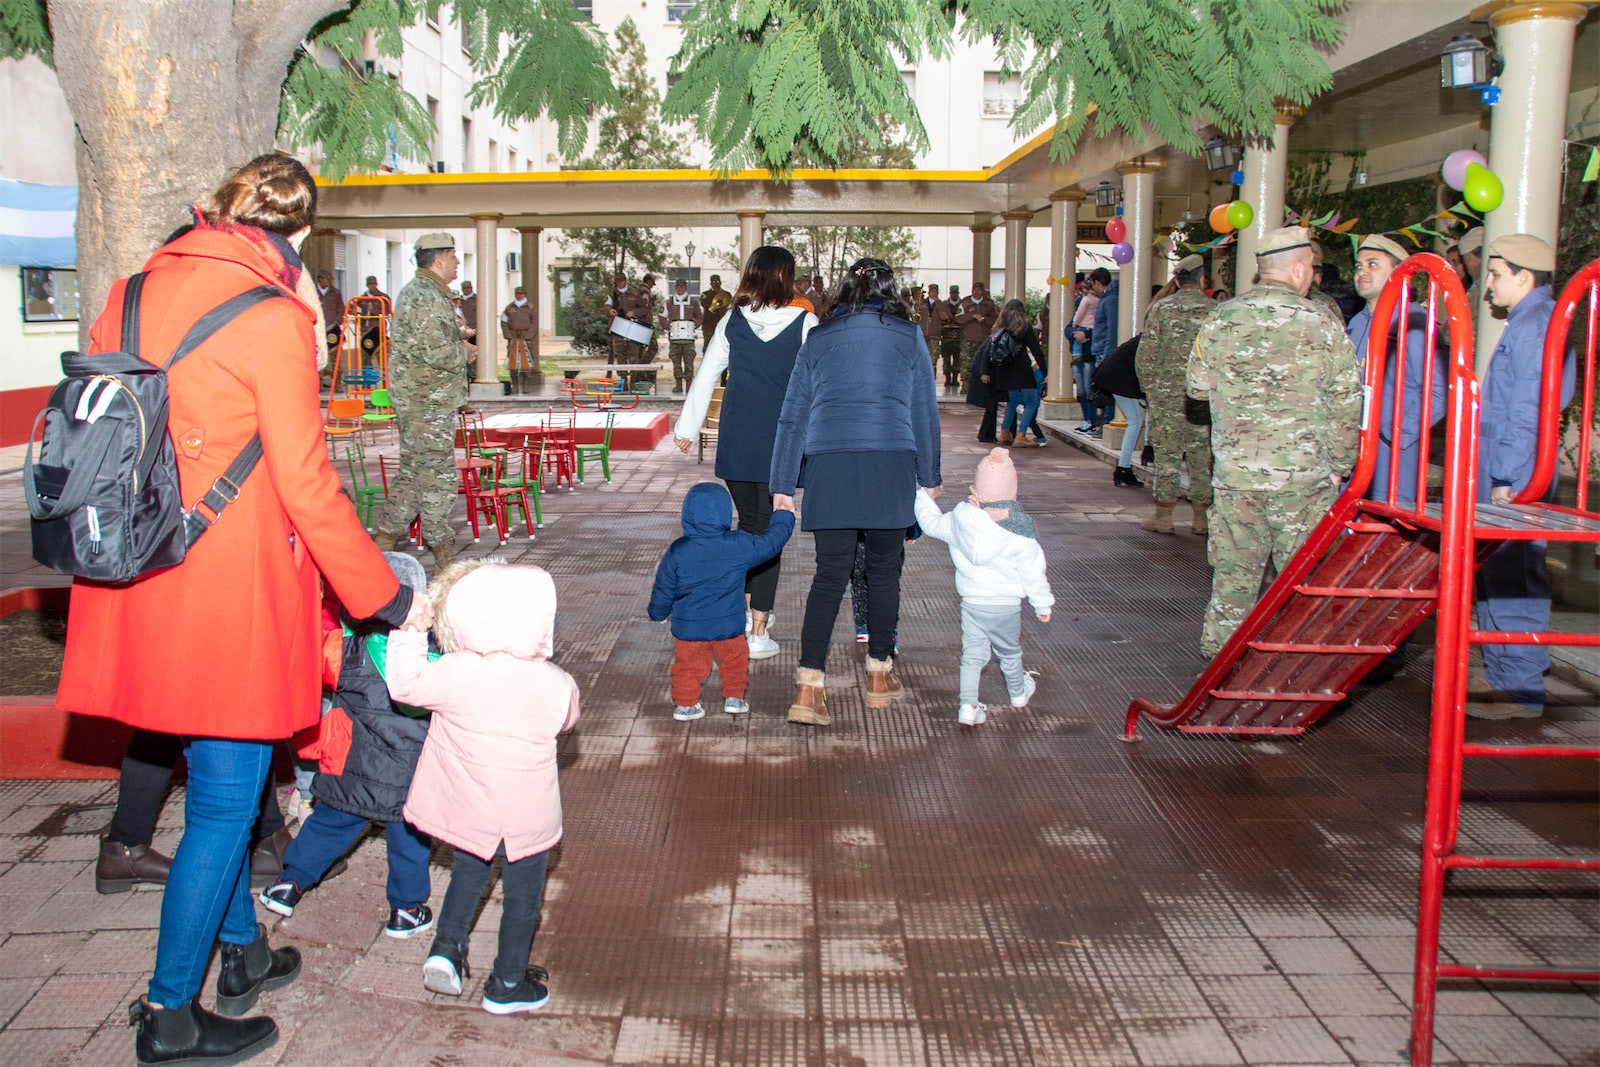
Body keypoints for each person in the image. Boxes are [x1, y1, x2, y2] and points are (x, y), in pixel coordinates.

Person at [57, 152, 430, 1063]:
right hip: (226, 595)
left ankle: (243, 955)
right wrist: (384, 599)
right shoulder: (271, 317)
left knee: (213, 784)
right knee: (225, 805)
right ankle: (169, 1011)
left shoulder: (131, 290)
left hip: (139, 576)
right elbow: (307, 483)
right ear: (295, 235)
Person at [387, 561, 578, 1015]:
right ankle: (508, 983)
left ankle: (446, 949)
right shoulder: (556, 685)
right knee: (523, 898)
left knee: (468, 873)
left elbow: (404, 683)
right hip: (525, 819)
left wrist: (411, 629)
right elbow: (567, 721)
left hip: (469, 807)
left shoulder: (453, 672)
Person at [769, 258, 942, 727]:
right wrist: (930, 474)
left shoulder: (819, 338)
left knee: (829, 577)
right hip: (891, 464)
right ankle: (879, 678)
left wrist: (782, 484)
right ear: (890, 290)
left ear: (843, 291)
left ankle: (808, 688)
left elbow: (793, 415)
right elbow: (925, 409)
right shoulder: (908, 336)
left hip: (831, 466)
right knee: (884, 575)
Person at [1187, 226, 1361, 658]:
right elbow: (1346, 401)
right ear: (1301, 268)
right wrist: (1341, 463)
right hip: (1302, 482)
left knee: (1234, 580)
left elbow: (1196, 387)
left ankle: (1220, 669)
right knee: (1306, 579)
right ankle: (1303, 667)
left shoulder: (1220, 317)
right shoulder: (1323, 323)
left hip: (1236, 476)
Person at [258, 553, 435, 940]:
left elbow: (309, 657)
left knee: (327, 826)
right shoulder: (430, 655)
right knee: (409, 842)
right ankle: (406, 910)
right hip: (408, 777)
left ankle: (287, 885)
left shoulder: (343, 651)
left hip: (348, 770)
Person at [674, 247, 818, 660]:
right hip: (784, 441)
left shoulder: (731, 319)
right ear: (786, 276)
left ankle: (742, 617)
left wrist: (687, 428)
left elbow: (707, 374)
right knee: (771, 528)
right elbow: (819, 381)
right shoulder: (807, 321)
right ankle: (757, 630)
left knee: (750, 523)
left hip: (738, 435)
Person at [1468, 234, 1575, 721]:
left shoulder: (1535, 326)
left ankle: (1520, 687)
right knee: (1497, 568)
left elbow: (1528, 409)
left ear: (1523, 276)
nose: (1487, 284)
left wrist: (1508, 473)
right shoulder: (1530, 322)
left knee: (1514, 573)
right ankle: (1504, 672)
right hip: (1509, 461)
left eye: (1495, 274)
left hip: (1516, 468)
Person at [913, 448, 1053, 725]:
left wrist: (921, 497)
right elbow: (1033, 571)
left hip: (972, 603)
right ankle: (1018, 694)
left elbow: (930, 524)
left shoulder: (960, 518)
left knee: (973, 656)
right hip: (1006, 606)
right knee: (1009, 652)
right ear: (1012, 494)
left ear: (976, 488)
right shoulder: (1019, 530)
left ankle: (968, 706)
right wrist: (1042, 603)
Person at [648, 483, 796, 720]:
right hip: (729, 625)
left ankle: (686, 705)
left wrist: (659, 613)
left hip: (690, 628)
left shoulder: (678, 550)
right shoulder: (737, 544)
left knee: (687, 666)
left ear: (687, 514)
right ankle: (734, 699)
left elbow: (664, 586)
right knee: (736, 659)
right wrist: (784, 517)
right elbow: (770, 544)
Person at [372, 233, 470, 569]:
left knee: (413, 474)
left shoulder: (424, 293)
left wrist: (457, 337)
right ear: (439, 260)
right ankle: (442, 550)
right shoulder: (426, 297)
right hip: (426, 403)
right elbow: (438, 352)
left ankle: (384, 538)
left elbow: (427, 341)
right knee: (439, 478)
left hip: (422, 401)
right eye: (454, 257)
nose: (458, 264)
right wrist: (466, 351)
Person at [1347, 234, 1448, 505]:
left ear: (1399, 272)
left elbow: (1438, 393)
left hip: (1391, 455)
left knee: (1386, 531)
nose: (1363, 272)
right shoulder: (1357, 322)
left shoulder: (1412, 320)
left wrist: (1395, 434)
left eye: (1373, 264)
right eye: (1359, 266)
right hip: (1352, 450)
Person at [1136, 254, 1214, 535]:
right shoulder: (1216, 310)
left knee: (1167, 456)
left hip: (1167, 397)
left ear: (1178, 279)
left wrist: (1150, 389)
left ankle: (1164, 516)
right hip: (1203, 398)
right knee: (1201, 456)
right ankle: (1201, 517)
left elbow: (1145, 354)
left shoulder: (1162, 309)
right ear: (1203, 279)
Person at [988, 299, 1047, 449]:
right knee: (1032, 402)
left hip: (1004, 370)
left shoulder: (999, 327)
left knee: (1012, 401)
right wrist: (1045, 370)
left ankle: (1004, 432)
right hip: (1021, 370)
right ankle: (1021, 435)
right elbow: (1036, 350)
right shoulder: (1023, 327)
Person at [1093, 334, 1146, 487]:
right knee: (1135, 422)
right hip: (1118, 377)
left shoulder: (1146, 337)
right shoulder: (1151, 339)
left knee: (1136, 421)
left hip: (1117, 375)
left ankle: (1124, 468)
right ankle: (1123, 469)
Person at [1069, 268, 1108, 432]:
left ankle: (1091, 420)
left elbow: (1103, 328)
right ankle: (1086, 419)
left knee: (1089, 389)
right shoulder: (1084, 303)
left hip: (1090, 354)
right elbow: (1068, 326)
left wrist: (1086, 333)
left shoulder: (1103, 302)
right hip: (1080, 353)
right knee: (1082, 390)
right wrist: (1073, 333)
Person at [1084, 269, 1121, 438]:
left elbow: (1112, 329)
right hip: (1101, 350)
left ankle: (1106, 422)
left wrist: (1107, 354)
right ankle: (1104, 421)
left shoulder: (1110, 300)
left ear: (1097, 282)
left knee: (1108, 390)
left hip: (1106, 352)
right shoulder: (1107, 299)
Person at [954, 281, 999, 391]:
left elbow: (996, 320)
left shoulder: (989, 304)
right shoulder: (965, 303)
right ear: (972, 290)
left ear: (983, 291)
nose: (977, 292)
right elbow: (958, 319)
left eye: (980, 290)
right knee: (966, 361)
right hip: (968, 337)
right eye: (975, 290)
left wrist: (985, 320)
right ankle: (965, 384)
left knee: (983, 360)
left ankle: (981, 384)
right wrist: (972, 316)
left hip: (984, 337)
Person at [604, 271, 655, 365]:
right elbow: (606, 305)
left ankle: (634, 378)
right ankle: (623, 378)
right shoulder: (614, 294)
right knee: (620, 355)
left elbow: (645, 309)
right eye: (617, 282)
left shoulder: (635, 293)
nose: (619, 284)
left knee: (634, 356)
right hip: (619, 328)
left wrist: (634, 312)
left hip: (633, 329)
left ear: (625, 281)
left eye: (621, 282)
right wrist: (609, 310)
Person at [663, 277, 702, 393]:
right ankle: (678, 384)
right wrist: (668, 325)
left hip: (688, 338)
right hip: (675, 338)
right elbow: (662, 316)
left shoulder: (693, 302)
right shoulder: (669, 303)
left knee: (689, 361)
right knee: (676, 361)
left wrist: (694, 325)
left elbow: (700, 317)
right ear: (675, 288)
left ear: (686, 288)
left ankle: (689, 384)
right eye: (678, 287)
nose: (680, 289)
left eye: (682, 287)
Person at [501, 285, 538, 395]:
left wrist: (528, 335)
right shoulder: (509, 308)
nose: (519, 296)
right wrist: (508, 335)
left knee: (526, 361)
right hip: (513, 338)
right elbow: (504, 322)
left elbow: (534, 323)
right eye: (517, 294)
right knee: (513, 361)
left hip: (525, 337)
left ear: (524, 295)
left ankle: (526, 384)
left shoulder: (530, 307)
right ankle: (515, 384)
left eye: (521, 294)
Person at [355, 274, 389, 366]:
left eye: (374, 283)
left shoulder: (383, 297)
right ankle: (367, 377)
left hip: (378, 329)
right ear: (367, 285)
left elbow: (387, 312)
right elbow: (356, 311)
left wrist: (373, 310)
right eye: (370, 284)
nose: (372, 286)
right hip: (365, 329)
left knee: (381, 353)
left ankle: (384, 377)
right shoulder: (361, 298)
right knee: (365, 353)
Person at [315, 269, 344, 365]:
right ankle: (320, 377)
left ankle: (337, 377)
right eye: (327, 279)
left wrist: (337, 322)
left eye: (330, 279)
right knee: (318, 353)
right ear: (320, 279)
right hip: (317, 328)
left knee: (335, 354)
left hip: (332, 326)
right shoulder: (312, 291)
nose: (329, 281)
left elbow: (341, 309)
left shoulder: (335, 292)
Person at [939, 284, 965, 388]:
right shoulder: (944, 304)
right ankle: (947, 379)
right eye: (952, 293)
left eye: (955, 293)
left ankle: (955, 379)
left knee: (957, 359)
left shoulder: (963, 304)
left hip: (959, 336)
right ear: (950, 293)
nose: (954, 295)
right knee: (946, 359)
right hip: (946, 336)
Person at [920, 283, 947, 371]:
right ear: (929, 292)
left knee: (933, 359)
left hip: (934, 335)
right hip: (922, 335)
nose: (934, 294)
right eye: (932, 292)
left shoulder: (942, 304)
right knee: (921, 358)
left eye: (936, 292)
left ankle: (931, 379)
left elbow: (945, 317)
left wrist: (938, 305)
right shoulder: (922, 302)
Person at [700, 273, 733, 344]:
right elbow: (705, 304)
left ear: (720, 282)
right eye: (714, 282)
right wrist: (716, 294)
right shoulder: (705, 294)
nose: (716, 284)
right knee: (708, 345)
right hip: (709, 325)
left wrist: (720, 294)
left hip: (722, 323)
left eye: (717, 282)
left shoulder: (727, 294)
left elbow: (726, 305)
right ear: (710, 283)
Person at [459, 280, 478, 348]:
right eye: (464, 288)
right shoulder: (459, 300)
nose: (466, 290)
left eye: (468, 288)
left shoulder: (477, 299)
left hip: (475, 329)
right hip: (463, 329)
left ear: (471, 288)